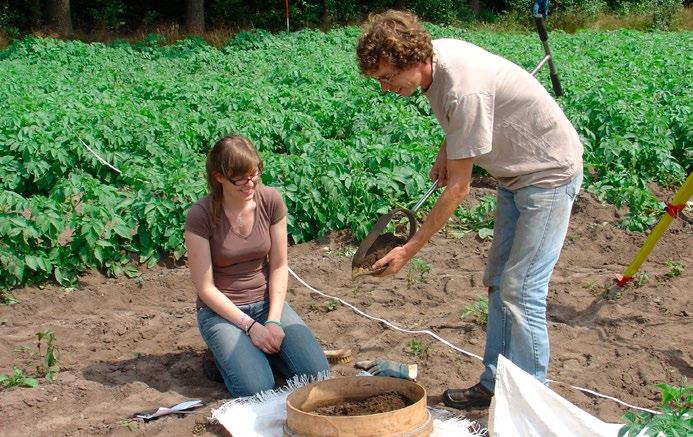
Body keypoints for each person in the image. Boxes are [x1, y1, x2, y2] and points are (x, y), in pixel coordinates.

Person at [357, 10, 583, 409]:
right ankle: (493, 384)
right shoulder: (437, 61)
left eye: (387, 77)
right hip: (514, 175)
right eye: (379, 80)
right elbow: (462, 119)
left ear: (413, 59)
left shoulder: (464, 90)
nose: (386, 87)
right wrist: (450, 148)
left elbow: (459, 188)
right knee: (497, 279)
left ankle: (533, 403)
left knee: (522, 289)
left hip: (548, 175)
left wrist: (410, 249)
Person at [185, 135, 329, 397]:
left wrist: (273, 320)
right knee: (257, 389)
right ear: (219, 177)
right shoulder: (202, 215)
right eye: (239, 178)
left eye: (254, 174)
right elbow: (205, 288)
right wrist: (250, 327)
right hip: (222, 313)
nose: (249, 183)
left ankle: (257, 352)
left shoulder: (270, 201)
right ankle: (221, 359)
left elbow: (278, 265)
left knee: (316, 374)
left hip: (265, 303)